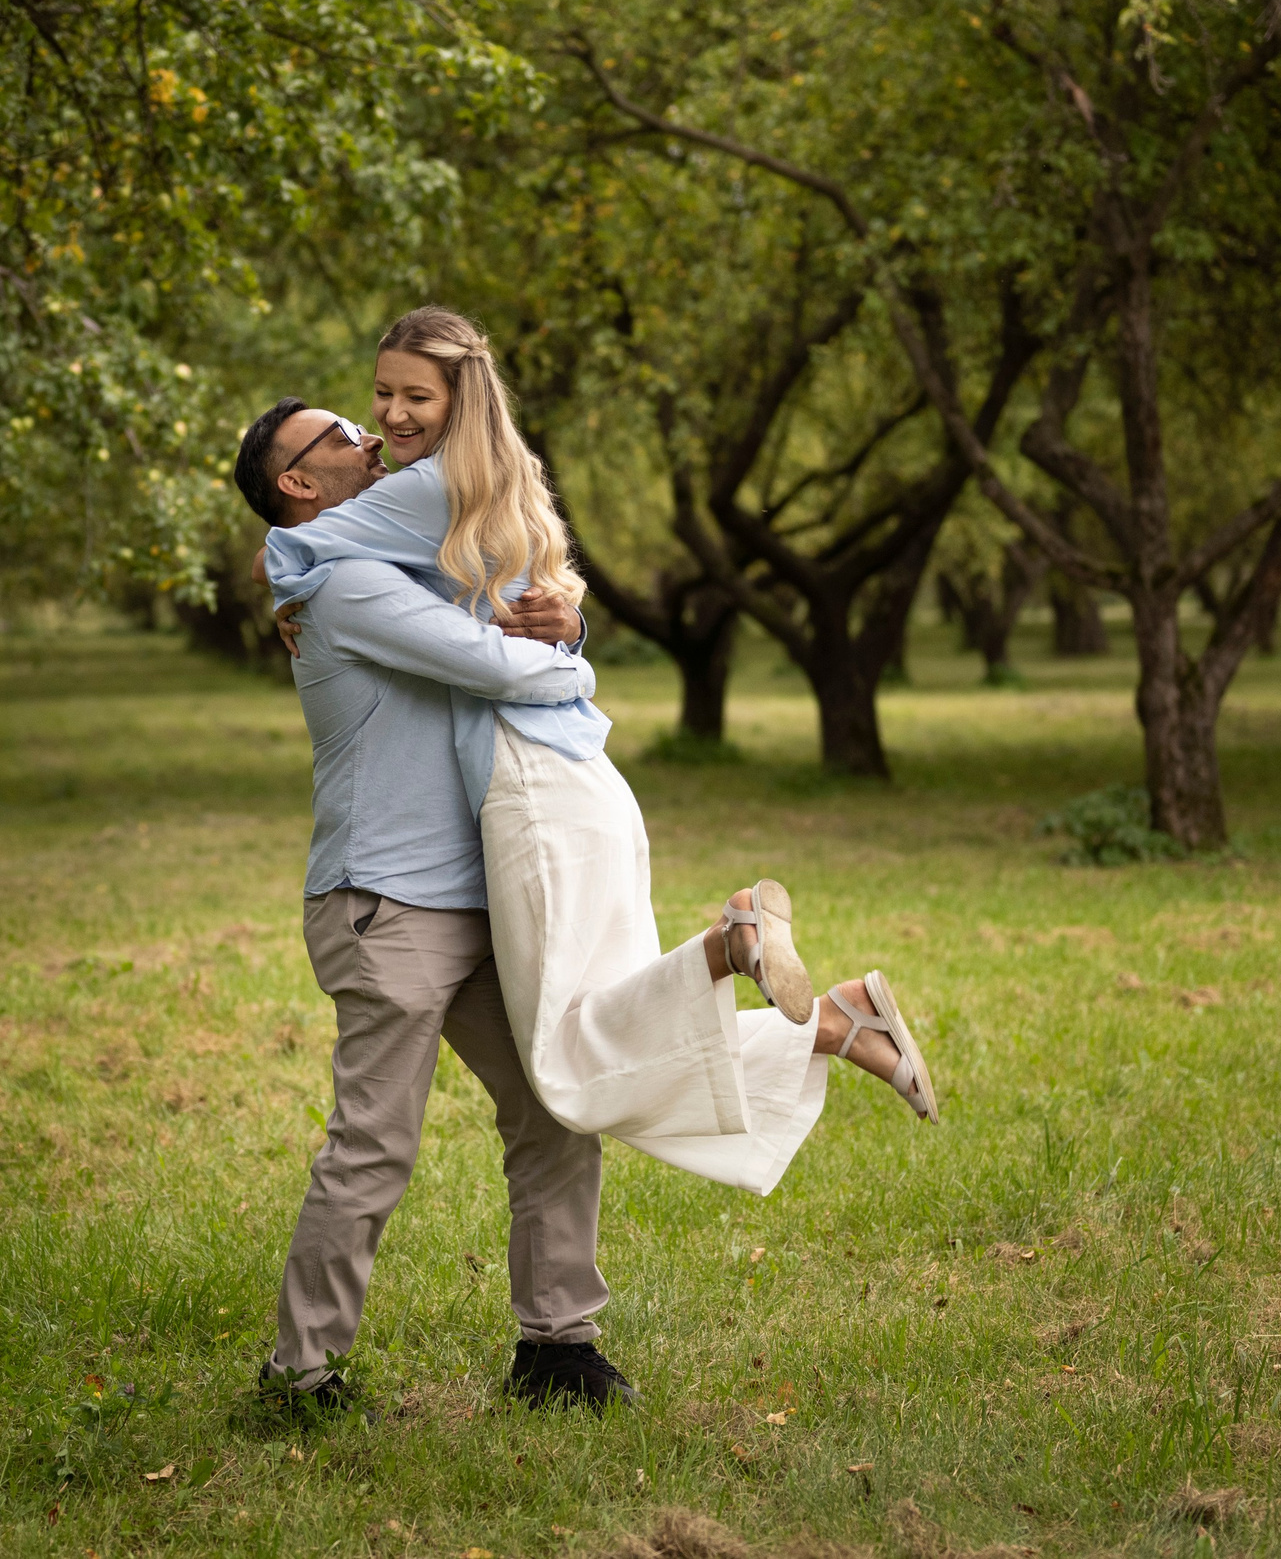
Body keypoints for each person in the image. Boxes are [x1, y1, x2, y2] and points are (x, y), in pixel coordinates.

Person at [234, 310, 937, 1415]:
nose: (369, 437)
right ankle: (299, 1371)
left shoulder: (408, 567)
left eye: (373, 420)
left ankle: (556, 1344)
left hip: (476, 896)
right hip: (385, 908)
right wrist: (560, 657)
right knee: (375, 1143)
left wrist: (560, 622)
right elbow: (508, 667)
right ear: (299, 490)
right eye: (337, 434)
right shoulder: (346, 590)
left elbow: (521, 600)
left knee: (558, 1110)